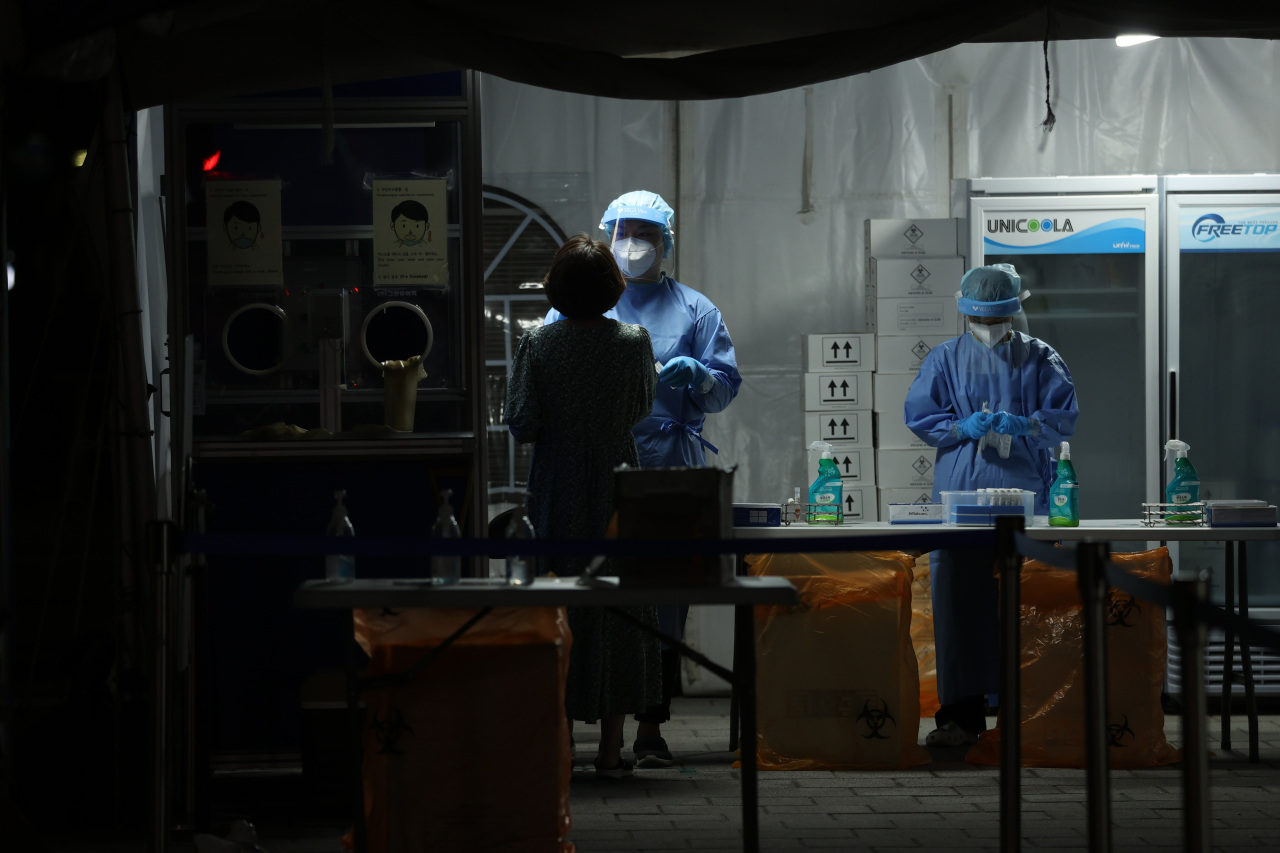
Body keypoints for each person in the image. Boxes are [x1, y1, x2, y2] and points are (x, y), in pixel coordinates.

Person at [544, 190, 742, 767]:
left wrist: (700, 375)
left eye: (646, 235)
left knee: (663, 600)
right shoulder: (579, 302)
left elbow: (725, 388)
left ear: (667, 243)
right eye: (624, 233)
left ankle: (651, 727)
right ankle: (584, 717)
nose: (633, 246)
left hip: (668, 462)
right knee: (589, 594)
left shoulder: (696, 311)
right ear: (607, 235)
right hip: (597, 465)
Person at [505, 233, 663, 778]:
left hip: (557, 486)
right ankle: (614, 750)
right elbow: (642, 406)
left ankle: (562, 743)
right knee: (622, 607)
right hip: (619, 485)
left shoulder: (537, 346)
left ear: (555, 289)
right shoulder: (634, 341)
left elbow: (522, 422)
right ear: (613, 288)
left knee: (558, 605)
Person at [903, 263, 1078, 748]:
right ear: (964, 313)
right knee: (957, 601)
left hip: (1025, 499)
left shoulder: (1040, 358)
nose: (987, 327)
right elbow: (920, 415)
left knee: (1024, 606)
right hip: (960, 498)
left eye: (996, 318)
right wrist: (962, 428)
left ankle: (1028, 713)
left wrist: (1026, 425)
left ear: (1013, 312)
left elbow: (1063, 420)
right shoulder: (944, 359)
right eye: (979, 318)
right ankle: (960, 715)